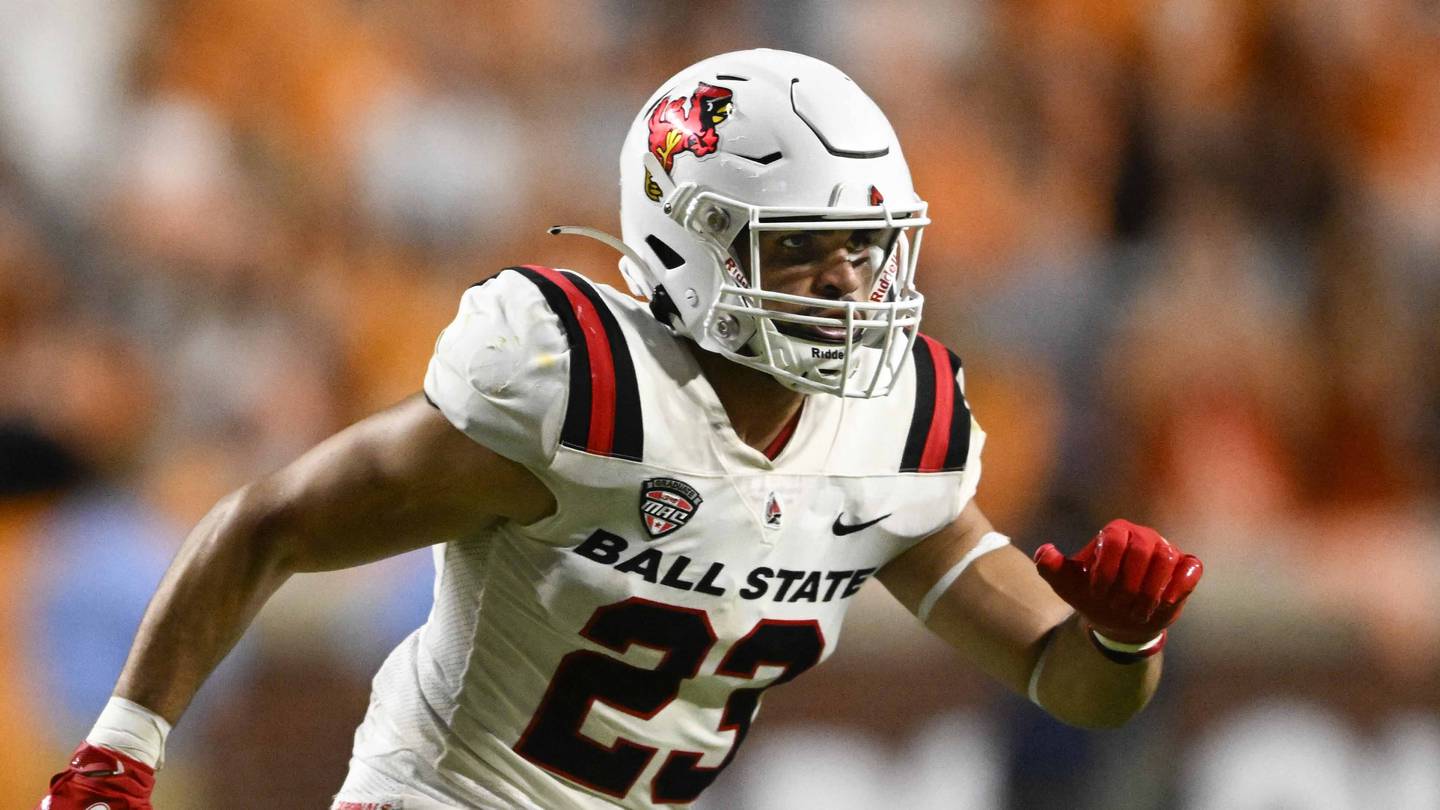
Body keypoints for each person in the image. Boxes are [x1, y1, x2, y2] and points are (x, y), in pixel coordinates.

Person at [39, 49, 1202, 810]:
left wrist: (1117, 642)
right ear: (688, 245)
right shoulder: (576, 390)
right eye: (801, 247)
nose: (849, 284)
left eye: (869, 246)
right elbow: (268, 525)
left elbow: (1065, 680)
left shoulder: (895, 430)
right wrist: (121, 748)